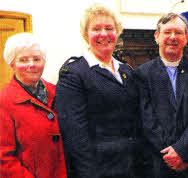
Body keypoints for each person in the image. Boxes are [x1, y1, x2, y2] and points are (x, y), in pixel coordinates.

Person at [55, 3, 140, 178]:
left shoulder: (126, 70)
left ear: (117, 32)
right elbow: (75, 135)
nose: (103, 34)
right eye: (96, 29)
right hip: (97, 169)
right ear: (86, 34)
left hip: (130, 166)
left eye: (109, 28)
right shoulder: (73, 73)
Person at [134, 13, 188, 178]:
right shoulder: (142, 74)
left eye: (178, 33)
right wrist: (170, 154)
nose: (172, 37)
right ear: (157, 36)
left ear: (186, 37)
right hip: (158, 160)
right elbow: (147, 119)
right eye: (167, 32)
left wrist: (182, 150)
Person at [0, 33, 67, 178]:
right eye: (23, 60)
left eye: (36, 59)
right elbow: (4, 159)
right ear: (12, 64)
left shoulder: (58, 92)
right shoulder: (4, 101)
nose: (31, 65)